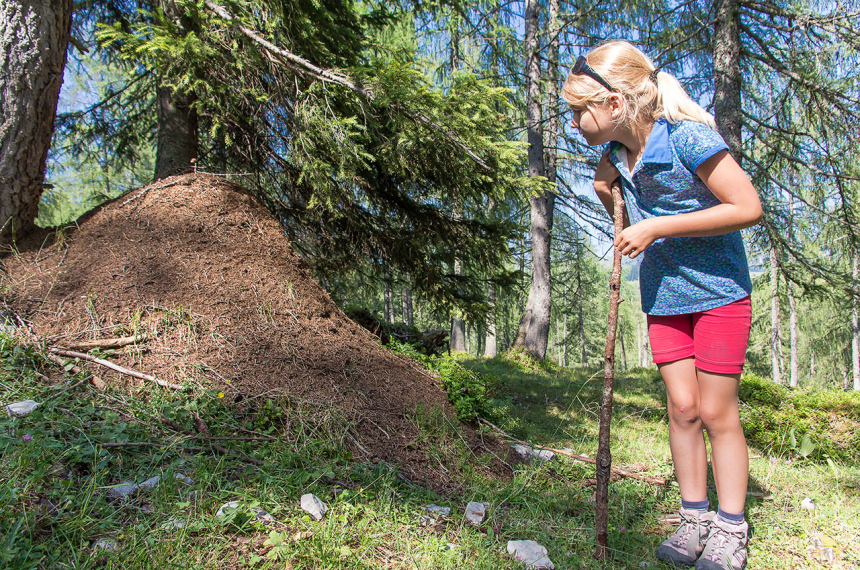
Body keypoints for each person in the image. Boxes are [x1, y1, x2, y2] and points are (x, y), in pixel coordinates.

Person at [561, 41, 762, 570]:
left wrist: (656, 226)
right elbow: (606, 185)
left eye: (581, 109)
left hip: (719, 292)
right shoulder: (616, 154)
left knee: (718, 411)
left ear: (615, 104)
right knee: (683, 407)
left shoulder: (687, 137)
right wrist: (624, 212)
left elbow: (747, 206)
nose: (575, 119)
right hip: (665, 294)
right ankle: (694, 516)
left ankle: (730, 528)